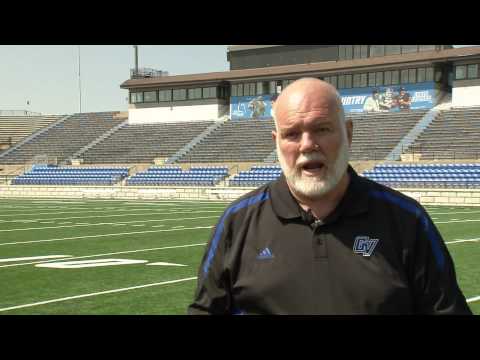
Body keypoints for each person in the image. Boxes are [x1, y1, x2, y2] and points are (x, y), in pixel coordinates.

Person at [188, 78, 472, 315]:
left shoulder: (408, 221)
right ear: (276, 142)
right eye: (292, 134)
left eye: (321, 129)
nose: (307, 145)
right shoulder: (237, 222)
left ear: (348, 134)